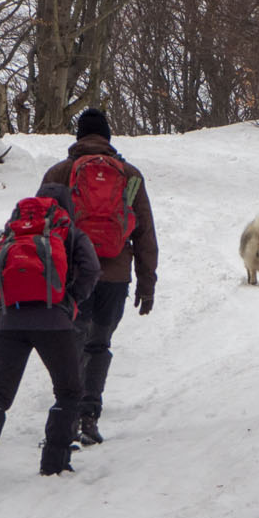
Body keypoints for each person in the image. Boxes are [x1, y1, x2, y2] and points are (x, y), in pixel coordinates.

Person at [0, 196, 101, 488]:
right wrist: (70, 301)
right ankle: (54, 462)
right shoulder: (69, 231)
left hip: (10, 322)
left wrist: (3, 303)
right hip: (55, 323)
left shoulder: (14, 231)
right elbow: (91, 269)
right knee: (69, 391)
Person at [39, 107, 158, 447]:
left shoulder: (59, 173)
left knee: (72, 342)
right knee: (99, 344)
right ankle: (89, 417)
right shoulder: (130, 176)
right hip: (115, 277)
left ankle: (68, 415)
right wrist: (147, 283)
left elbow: (36, 227)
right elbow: (145, 233)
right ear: (108, 137)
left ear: (78, 136)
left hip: (72, 275)